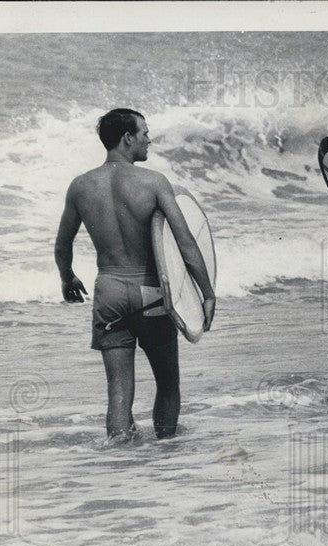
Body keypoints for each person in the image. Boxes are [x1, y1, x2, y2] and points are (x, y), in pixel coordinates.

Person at [54, 108, 215, 441]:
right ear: (127, 138)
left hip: (109, 292)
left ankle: (119, 466)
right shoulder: (154, 182)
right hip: (152, 294)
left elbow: (62, 243)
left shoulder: (80, 186)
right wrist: (207, 292)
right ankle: (167, 459)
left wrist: (67, 277)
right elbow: (185, 242)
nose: (148, 140)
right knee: (168, 383)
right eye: (144, 133)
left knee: (118, 393)